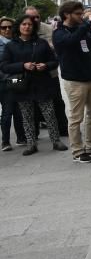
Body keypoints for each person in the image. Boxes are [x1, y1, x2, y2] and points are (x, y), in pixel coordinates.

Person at [53, 0, 91, 163]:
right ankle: (78, 151)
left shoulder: (82, 29)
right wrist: (86, 24)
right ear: (66, 14)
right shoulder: (59, 32)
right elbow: (70, 42)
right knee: (76, 117)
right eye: (77, 14)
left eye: (81, 14)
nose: (81, 17)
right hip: (74, 80)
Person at [0, 15, 65, 155]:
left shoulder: (41, 43)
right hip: (23, 86)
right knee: (27, 116)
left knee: (49, 113)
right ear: (19, 26)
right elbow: (4, 66)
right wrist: (23, 65)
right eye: (24, 24)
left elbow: (54, 61)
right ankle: (31, 144)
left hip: (42, 84)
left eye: (29, 24)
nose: (27, 27)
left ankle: (56, 141)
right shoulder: (11, 45)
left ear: (33, 27)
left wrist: (45, 66)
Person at [0, 16, 28, 150]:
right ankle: (5, 141)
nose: (7, 30)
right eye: (3, 27)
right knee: (7, 111)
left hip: (18, 79)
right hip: (4, 82)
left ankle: (21, 137)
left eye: (10, 27)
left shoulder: (17, 42)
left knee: (19, 110)